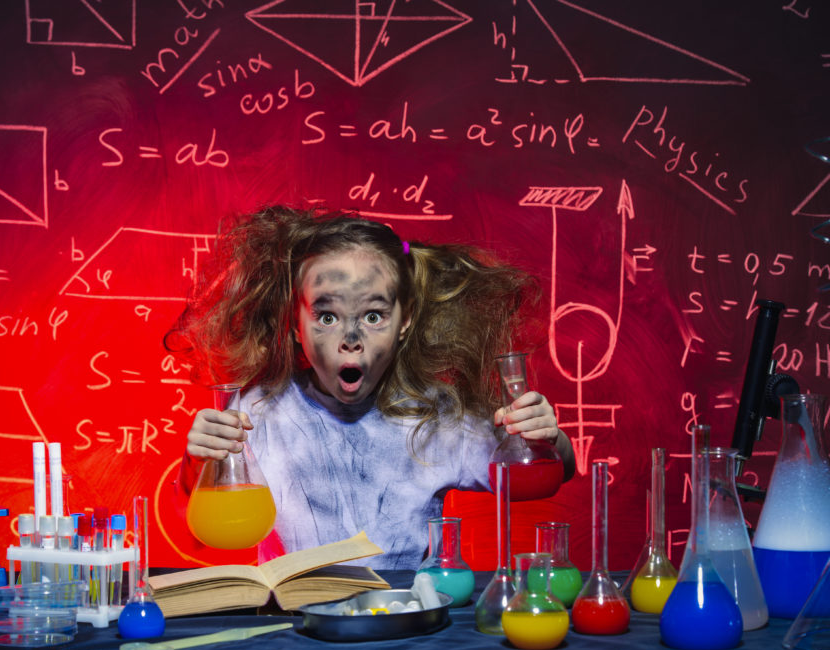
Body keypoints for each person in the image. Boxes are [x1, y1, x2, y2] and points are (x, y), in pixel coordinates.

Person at [167, 206, 575, 569]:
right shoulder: (257, 412)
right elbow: (197, 524)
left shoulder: (437, 416)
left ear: (406, 320)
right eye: (327, 316)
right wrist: (198, 464)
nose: (351, 336)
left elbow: (546, 479)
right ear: (294, 323)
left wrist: (547, 440)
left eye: (374, 315)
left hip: (402, 621)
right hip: (293, 626)